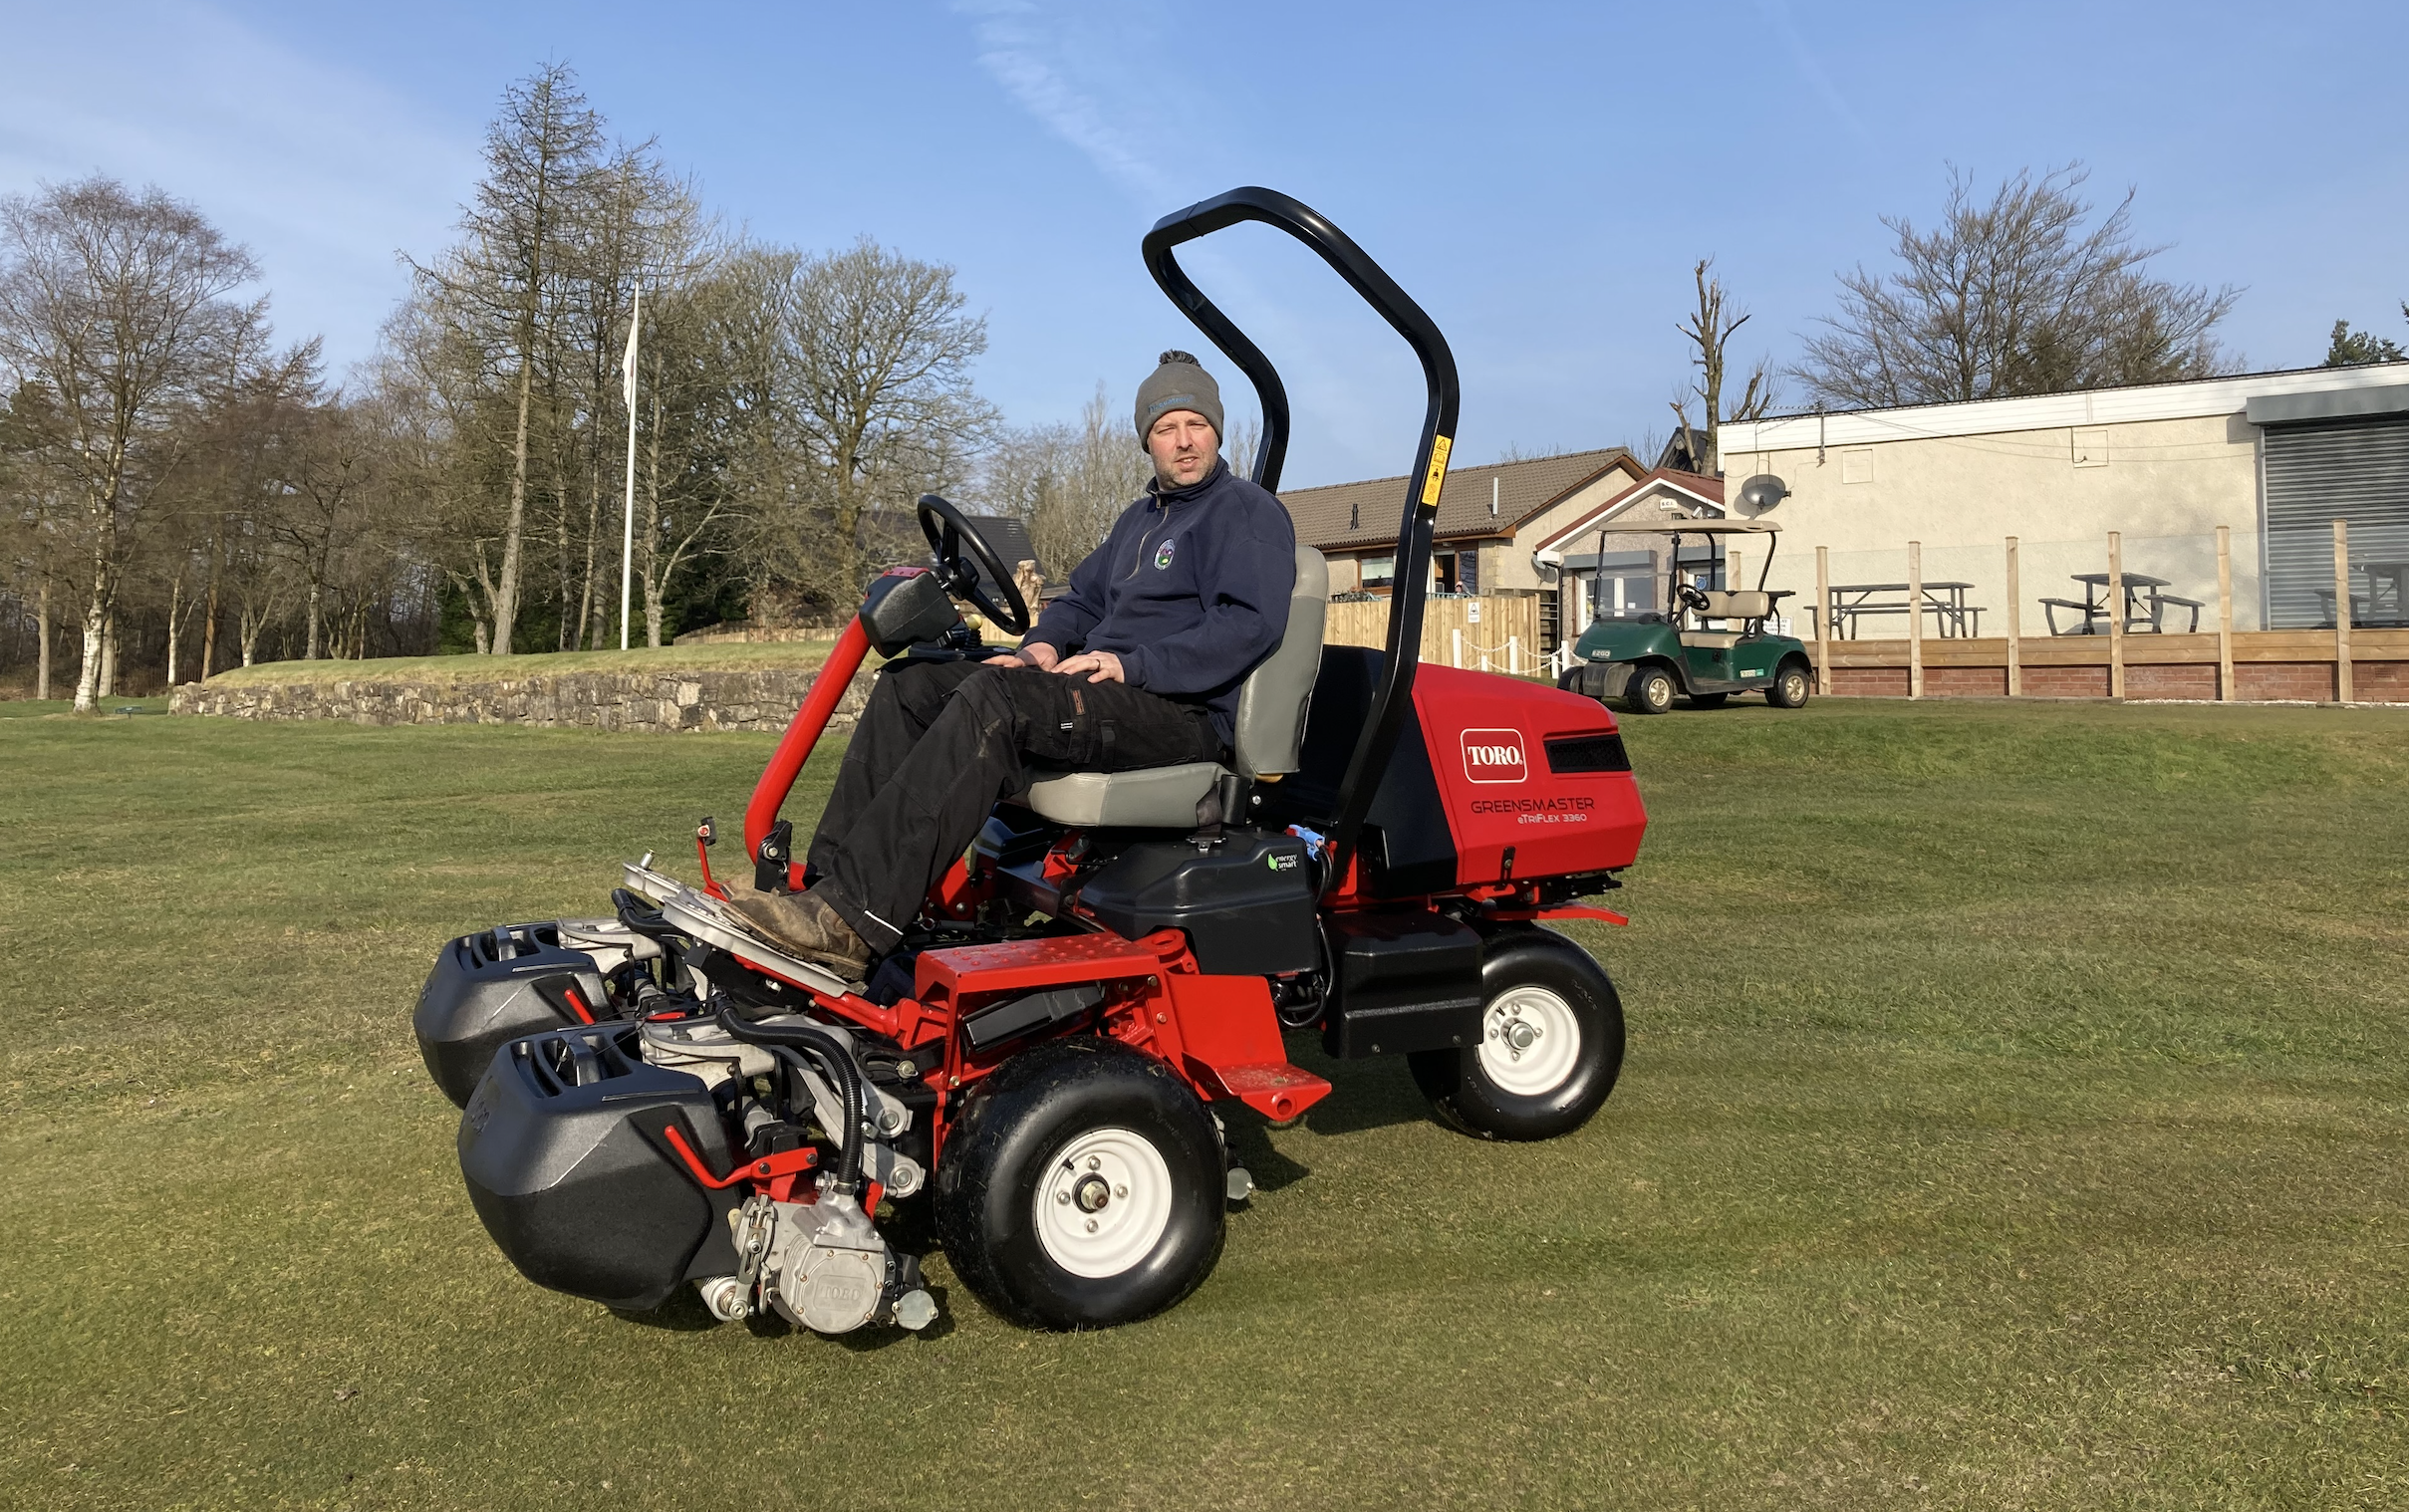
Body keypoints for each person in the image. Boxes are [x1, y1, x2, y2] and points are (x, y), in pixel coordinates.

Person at [727, 352, 1297, 973]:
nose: (1185, 442)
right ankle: (825, 891)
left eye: (1197, 424)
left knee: (996, 703)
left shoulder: (1246, 513)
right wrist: (1041, 647)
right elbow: (1080, 600)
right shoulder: (1140, 519)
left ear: (1218, 429)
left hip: (1179, 713)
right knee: (913, 682)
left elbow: (1246, 625)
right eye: (1167, 428)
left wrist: (1133, 666)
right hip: (1110, 688)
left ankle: (849, 926)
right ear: (1147, 441)